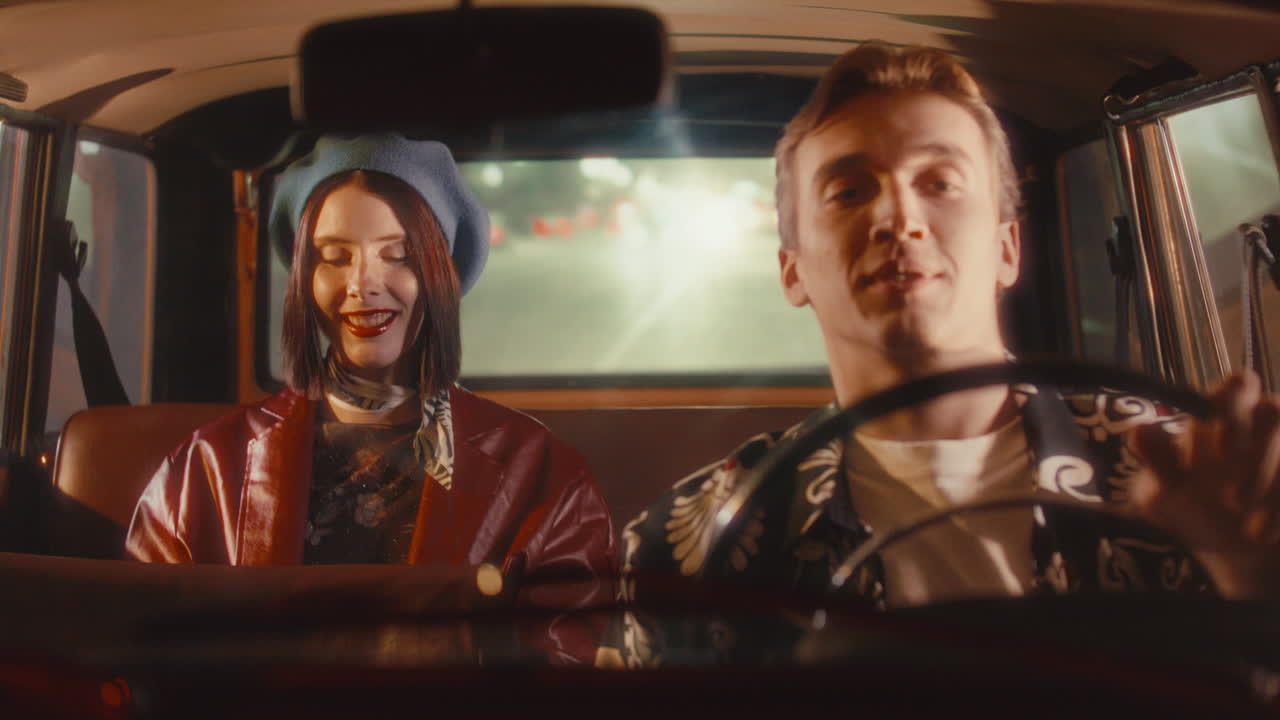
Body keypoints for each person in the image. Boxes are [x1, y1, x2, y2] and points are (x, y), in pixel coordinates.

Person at [598, 44, 1280, 667]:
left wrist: (1249, 573)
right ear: (792, 272)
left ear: (1008, 249)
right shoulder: (690, 545)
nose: (898, 216)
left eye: (940, 183)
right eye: (848, 191)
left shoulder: (1192, 477)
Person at [126, 134, 616, 664]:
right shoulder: (205, 467)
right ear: (304, 280)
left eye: (398, 255)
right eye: (334, 258)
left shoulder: (542, 474)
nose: (363, 284)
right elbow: (145, 656)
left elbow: (568, 669)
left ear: (441, 275)